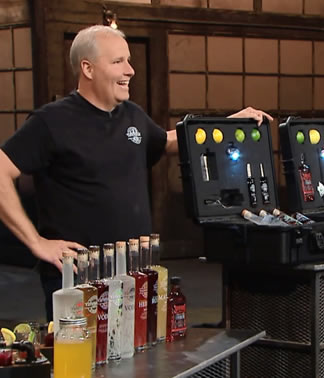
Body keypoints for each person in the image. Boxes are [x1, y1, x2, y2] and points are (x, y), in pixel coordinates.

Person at [0, 25, 272, 320]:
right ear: (87, 69)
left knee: (141, 360)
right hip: (80, 277)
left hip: (135, 272)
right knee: (86, 364)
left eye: (129, 61)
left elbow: (168, 141)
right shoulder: (50, 121)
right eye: (118, 62)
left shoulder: (132, 116)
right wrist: (36, 242)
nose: (130, 70)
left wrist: (230, 123)